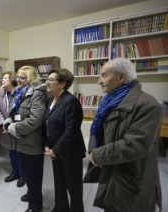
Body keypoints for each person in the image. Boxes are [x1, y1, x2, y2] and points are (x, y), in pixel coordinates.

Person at [85, 58, 162, 212]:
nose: (99, 81)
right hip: (111, 170)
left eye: (104, 76)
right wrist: (93, 152)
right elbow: (96, 129)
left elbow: (134, 145)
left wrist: (98, 156)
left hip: (130, 179)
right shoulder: (108, 100)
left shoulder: (148, 105)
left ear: (121, 77)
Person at [3, 66, 46, 212]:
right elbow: (16, 111)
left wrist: (15, 128)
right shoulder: (21, 92)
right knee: (28, 174)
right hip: (22, 140)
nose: (18, 80)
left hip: (32, 142)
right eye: (18, 77)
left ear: (31, 80)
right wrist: (9, 120)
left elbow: (35, 120)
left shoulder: (37, 93)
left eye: (22, 77)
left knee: (34, 176)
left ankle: (35, 207)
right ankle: (31, 194)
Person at [43, 68, 86, 212]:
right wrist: (47, 146)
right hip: (55, 151)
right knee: (59, 183)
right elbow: (48, 125)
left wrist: (56, 150)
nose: (47, 82)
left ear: (63, 83)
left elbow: (71, 131)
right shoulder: (50, 100)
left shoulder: (71, 101)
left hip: (70, 153)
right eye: (47, 79)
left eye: (51, 79)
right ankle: (61, 208)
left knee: (74, 189)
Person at [0, 71, 25, 187]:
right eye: (2, 78)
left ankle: (22, 175)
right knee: (11, 151)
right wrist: (2, 124)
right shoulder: (1, 93)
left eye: (5, 78)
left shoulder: (19, 93)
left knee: (19, 152)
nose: (2, 80)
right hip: (5, 128)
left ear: (12, 80)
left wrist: (10, 125)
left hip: (16, 127)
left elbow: (21, 112)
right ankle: (14, 173)